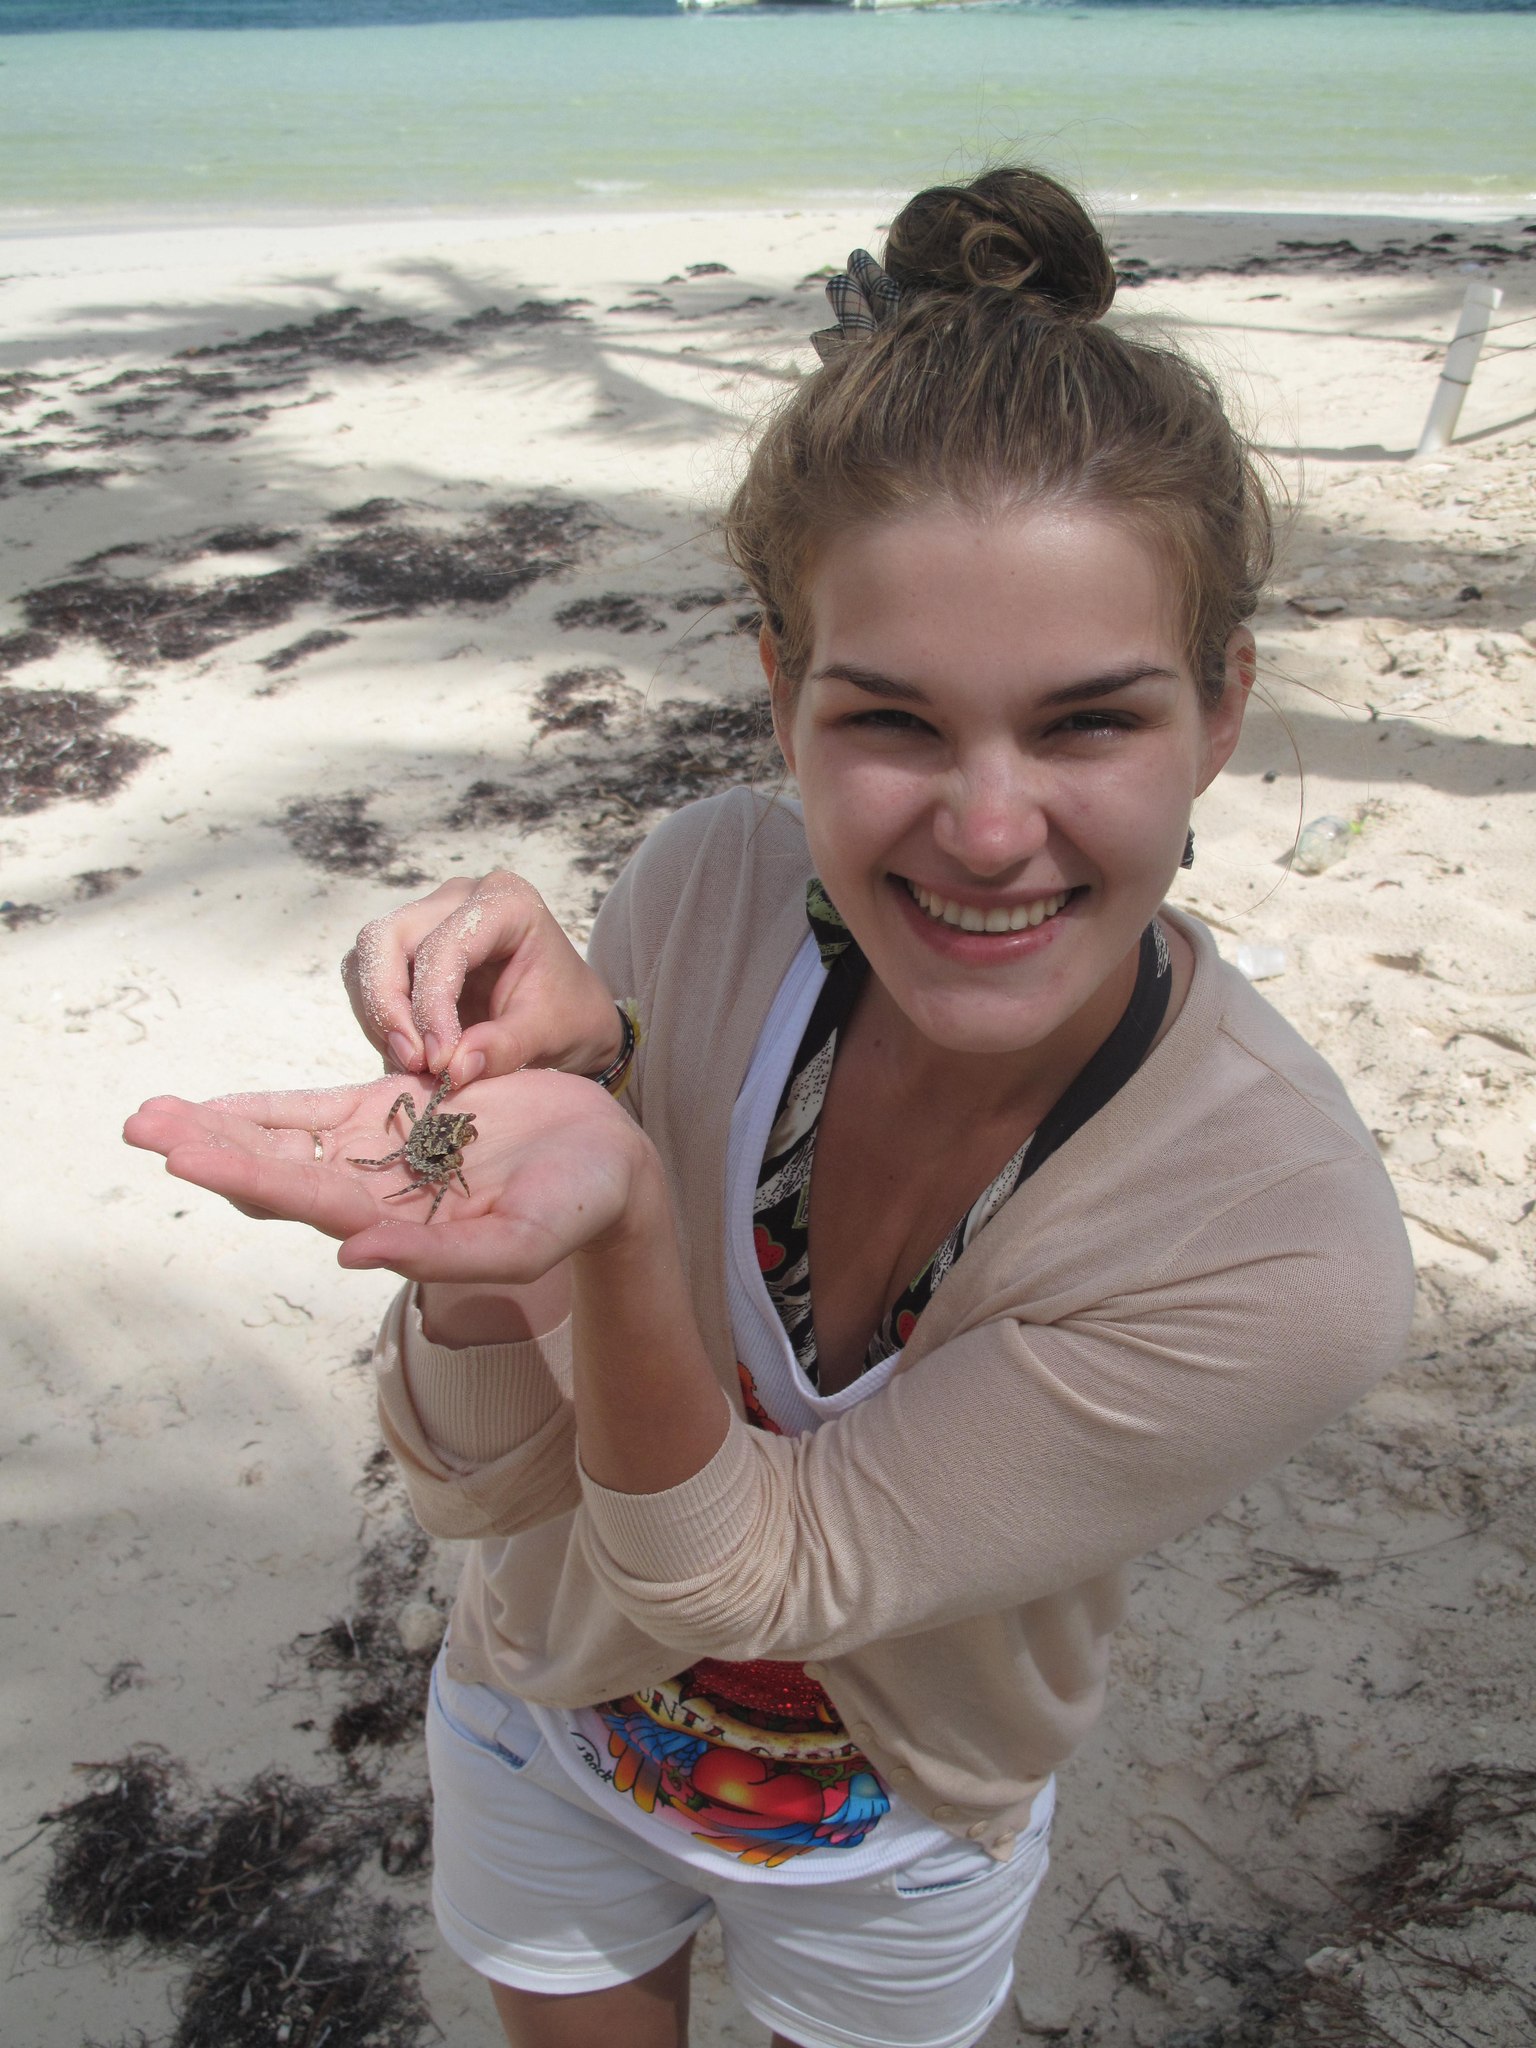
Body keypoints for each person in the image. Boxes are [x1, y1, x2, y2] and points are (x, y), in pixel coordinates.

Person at [126, 167, 1414, 2048]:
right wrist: (497, 1158)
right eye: (892, 719)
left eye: (1089, 721)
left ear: (1221, 709)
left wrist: (627, 1208)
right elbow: (481, 1480)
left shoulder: (1281, 1245)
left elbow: (753, 1575)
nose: (989, 830)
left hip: (899, 1840)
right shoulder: (712, 891)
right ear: (783, 690)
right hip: (542, 1720)